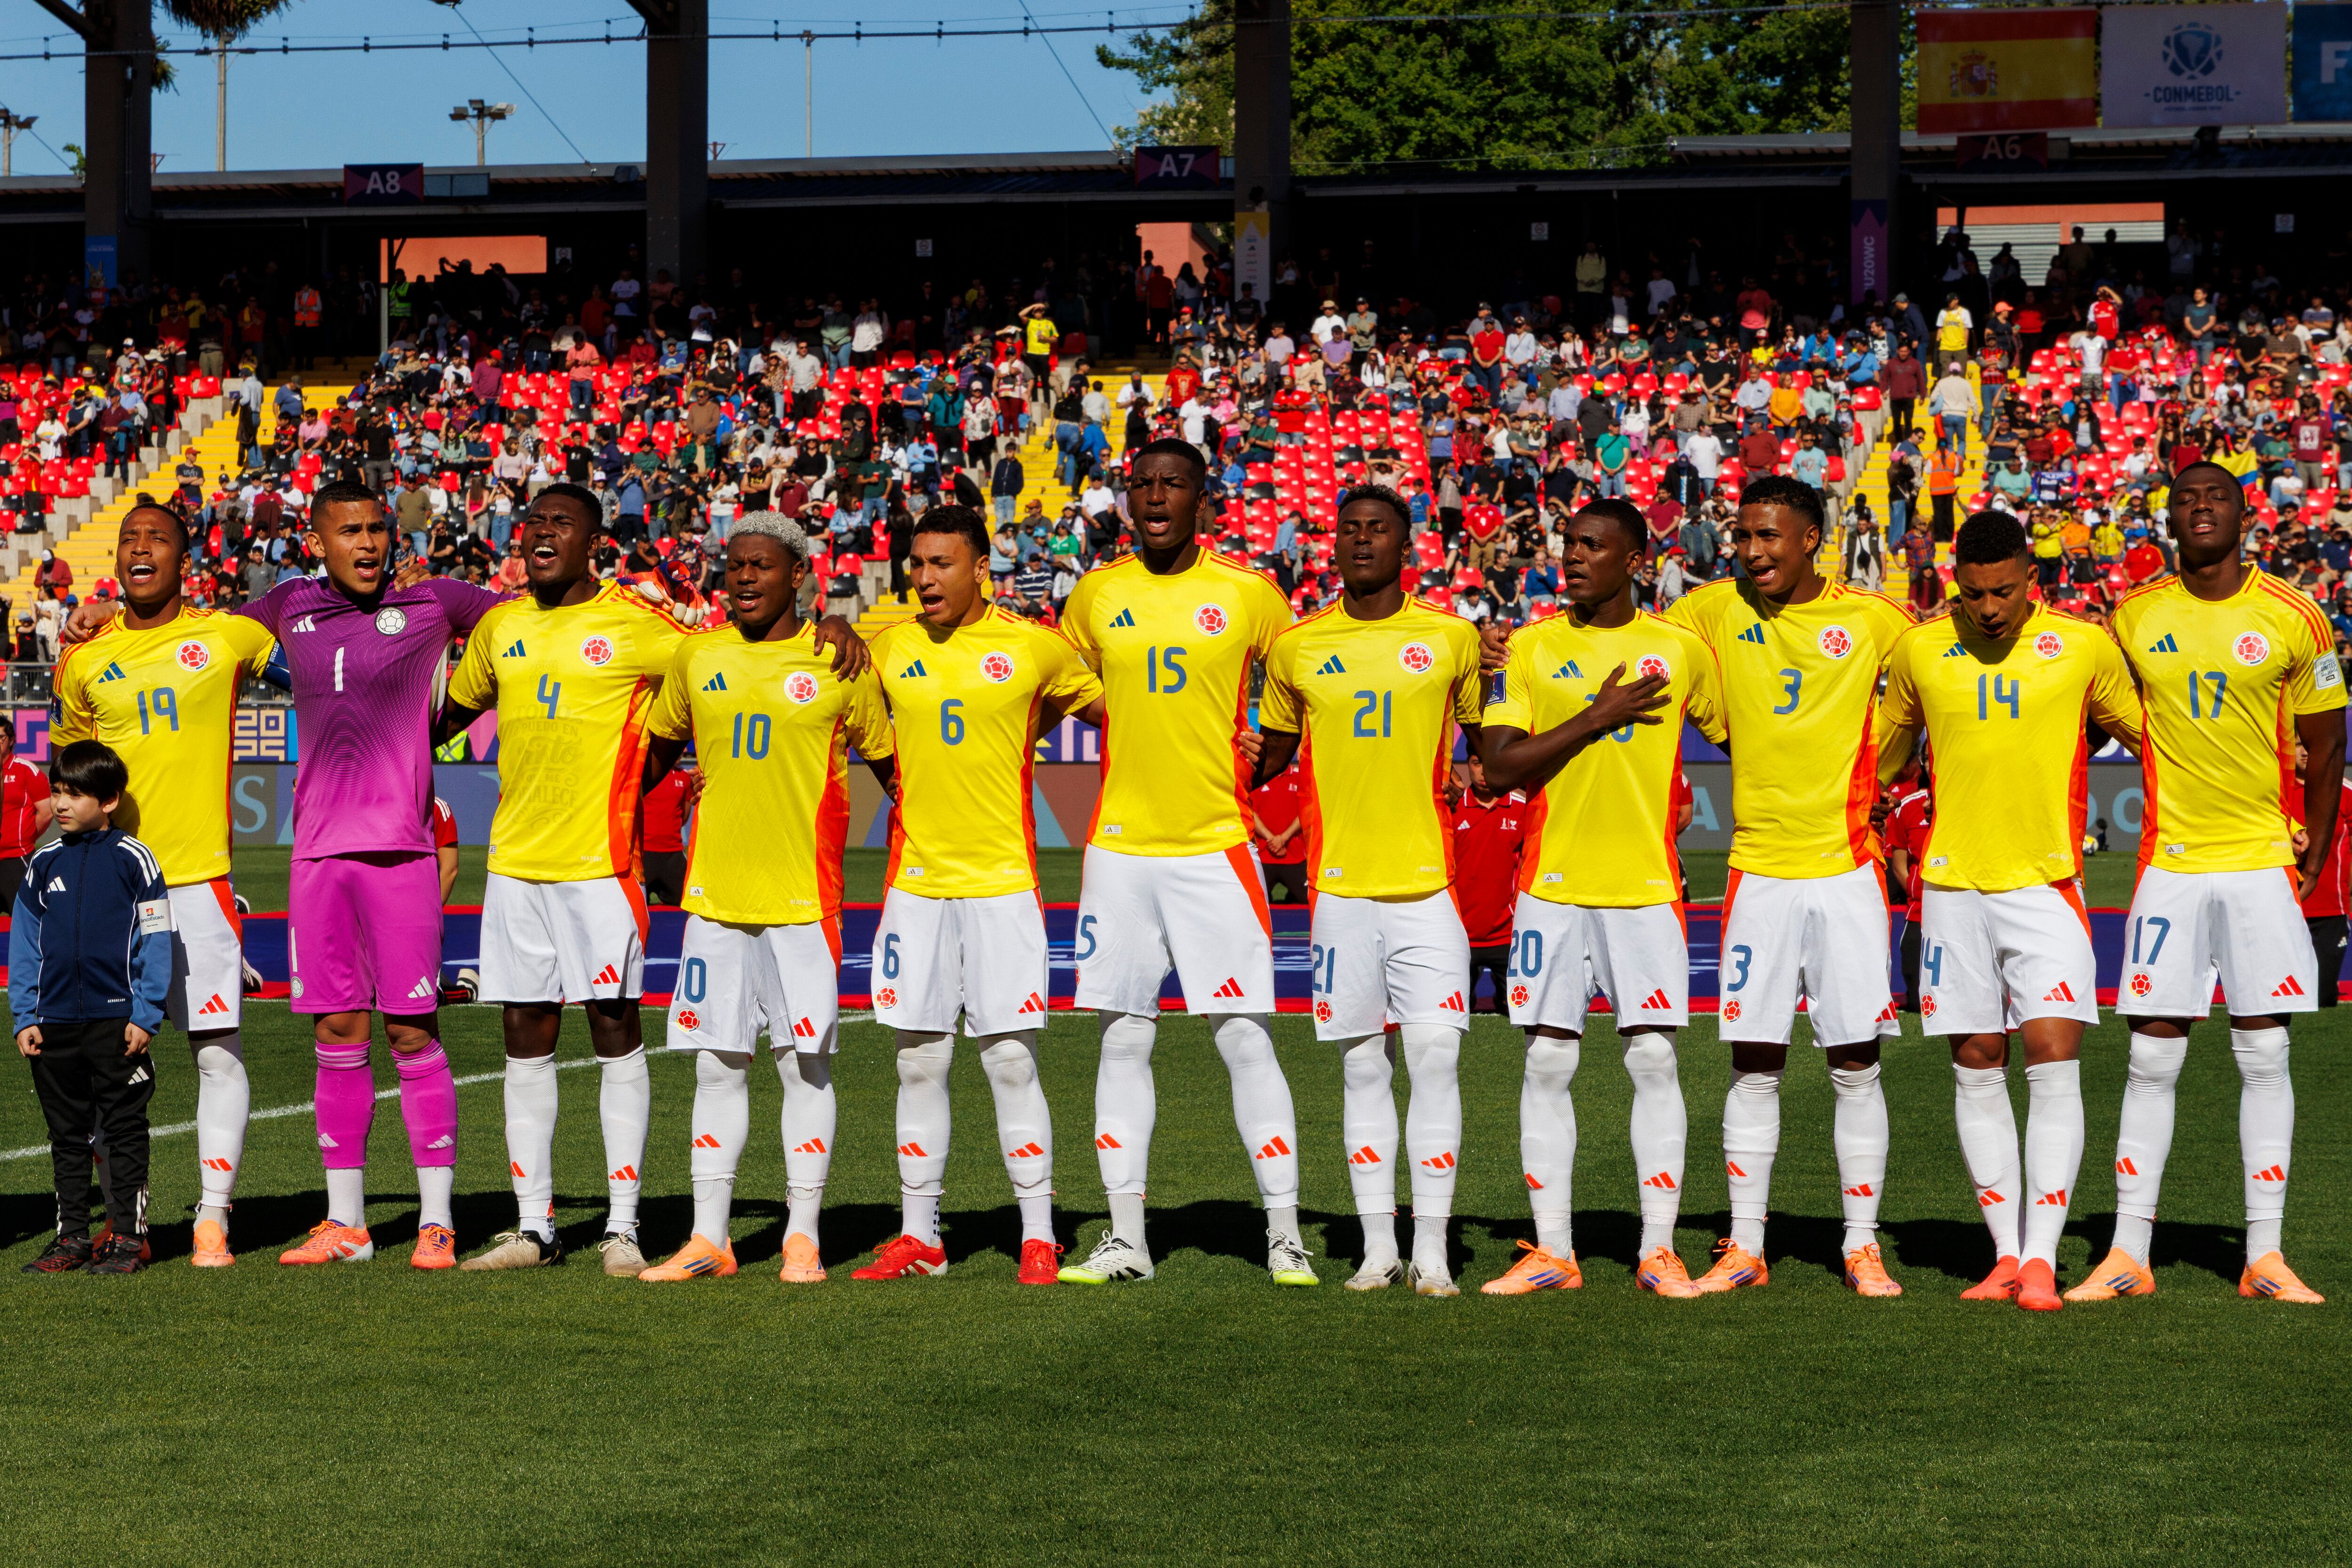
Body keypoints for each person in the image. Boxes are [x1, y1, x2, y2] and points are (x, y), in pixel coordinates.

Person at [191, 480, 501, 1269]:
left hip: (402, 854)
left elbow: (536, 623)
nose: (367, 543)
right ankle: (347, 1222)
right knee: (336, 1032)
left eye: (377, 530)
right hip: (319, 858)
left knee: (411, 1030)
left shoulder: (437, 603)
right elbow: (191, 646)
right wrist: (108, 626)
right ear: (318, 543)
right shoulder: (288, 606)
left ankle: (437, 1220)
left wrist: (458, 709)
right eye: (349, 531)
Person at [1629, 476, 1915, 1297]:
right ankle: (1745, 1244)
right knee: (1755, 1062)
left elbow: (1942, 670)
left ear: (1811, 540)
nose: (1754, 552)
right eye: (1744, 537)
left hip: (1847, 865)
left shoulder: (1872, 618)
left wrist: (1890, 761)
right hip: (1756, 867)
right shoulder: (1711, 610)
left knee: (1855, 1063)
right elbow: (1633, 644)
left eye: (1770, 537)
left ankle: (1861, 1244)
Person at [2080, 464, 2345, 1305]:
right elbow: (2082, 710)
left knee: (2265, 1050)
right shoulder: (2133, 616)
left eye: (2217, 497)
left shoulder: (2296, 614)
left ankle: (2263, 1253)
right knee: (2152, 1055)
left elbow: (2329, 742)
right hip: (2170, 864)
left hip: (2262, 859)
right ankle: (2127, 1251)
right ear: (2168, 516)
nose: (2201, 509)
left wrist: (2318, 847)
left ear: (2245, 513)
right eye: (2187, 498)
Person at [1054, 439, 1313, 1288]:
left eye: (1174, 484)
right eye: (1143, 484)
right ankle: (1126, 1237)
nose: (1156, 495)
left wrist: (1270, 752)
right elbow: (1065, 682)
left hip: (1215, 847)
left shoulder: (1249, 594)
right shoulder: (1095, 595)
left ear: (1204, 499)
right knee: (1122, 1039)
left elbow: (1306, 681)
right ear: (1128, 499)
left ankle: (1284, 1234)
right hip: (1121, 850)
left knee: (1242, 1036)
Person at [1876, 509, 2141, 1312]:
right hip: (1953, 891)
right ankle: (2004, 1255)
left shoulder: (2083, 646)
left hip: (2048, 886)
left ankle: (2042, 1259)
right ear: (1955, 582)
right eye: (1976, 592)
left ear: (2034, 577)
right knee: (1977, 1064)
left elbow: (2153, 733)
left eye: (2005, 591)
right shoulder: (1922, 647)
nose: (1990, 608)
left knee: (2053, 1060)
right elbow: (1883, 756)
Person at [434, 486, 697, 1276]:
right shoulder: (501, 625)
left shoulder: (636, 624)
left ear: (592, 544)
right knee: (525, 1036)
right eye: (535, 522)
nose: (542, 532)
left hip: (600, 868)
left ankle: (622, 1224)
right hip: (515, 865)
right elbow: (444, 717)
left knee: (614, 1026)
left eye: (561, 523)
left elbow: (719, 666)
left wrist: (648, 769)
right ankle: (533, 1226)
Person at [635, 512, 897, 1285]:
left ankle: (802, 1236)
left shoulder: (839, 660)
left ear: (798, 576)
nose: (745, 578)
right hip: (713, 899)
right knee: (716, 1067)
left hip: (802, 904)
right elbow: (651, 758)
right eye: (735, 566)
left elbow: (894, 772)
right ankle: (708, 1237)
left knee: (803, 1068)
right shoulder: (697, 656)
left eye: (762, 566)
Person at [1477, 497, 1726, 1298]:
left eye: (1593, 545)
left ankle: (1658, 1248)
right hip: (1551, 887)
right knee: (1548, 1058)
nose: (1573, 556)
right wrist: (1599, 714)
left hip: (1646, 888)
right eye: (1569, 543)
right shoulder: (1532, 649)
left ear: (1634, 561)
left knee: (1654, 1058)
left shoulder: (1679, 650)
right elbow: (1502, 766)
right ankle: (1554, 1249)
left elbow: (1743, 736)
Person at [855, 504, 1104, 1286]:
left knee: (1009, 1061)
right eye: (917, 564)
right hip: (916, 887)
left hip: (1003, 886)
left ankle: (1038, 1233)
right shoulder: (883, 646)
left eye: (941, 564)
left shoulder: (1034, 648)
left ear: (978, 569)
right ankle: (919, 1233)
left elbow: (1112, 712)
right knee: (918, 1063)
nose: (925, 579)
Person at [1252, 484, 1483, 1296]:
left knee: (1434, 1057)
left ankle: (1436, 1249)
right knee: (1361, 1069)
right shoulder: (1297, 646)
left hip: (1429, 890)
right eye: (1348, 528)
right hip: (1340, 894)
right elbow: (1270, 754)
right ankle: (1378, 1247)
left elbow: (1488, 741)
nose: (1359, 541)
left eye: (1376, 529)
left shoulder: (1454, 638)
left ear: (1404, 544)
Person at [51, 505, 275, 1268]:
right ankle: (123, 1224)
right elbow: (74, 773)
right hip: (112, 888)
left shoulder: (230, 635)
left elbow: (316, 645)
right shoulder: (83, 661)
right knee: (106, 1059)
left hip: (200, 883)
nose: (140, 548)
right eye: (128, 540)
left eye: (158, 538)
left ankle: (213, 1215)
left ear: (187, 557)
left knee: (215, 1051)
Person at [10, 740, 174, 1275]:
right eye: (57, 791)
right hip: (54, 1026)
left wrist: (146, 1013)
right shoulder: (42, 864)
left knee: (125, 1131)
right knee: (66, 1137)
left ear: (108, 800)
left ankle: (127, 1237)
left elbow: (156, 938)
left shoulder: (136, 858)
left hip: (117, 1023)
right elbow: (26, 945)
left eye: (75, 794)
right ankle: (71, 1238)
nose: (60, 803)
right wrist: (26, 1017)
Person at [1449, 753, 1526, 1018]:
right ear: (1467, 765)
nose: (1483, 771)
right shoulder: (1451, 808)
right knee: (1456, 1016)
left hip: (1508, 935)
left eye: (1489, 762)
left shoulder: (1523, 806)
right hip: (1459, 934)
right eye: (1477, 762)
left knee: (1517, 1014)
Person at [0, 715, 54, 909]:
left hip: (16, 859)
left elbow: (47, 812)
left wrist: (26, 838)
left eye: (1, 738)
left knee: (24, 918)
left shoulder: (26, 771)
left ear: (11, 740)